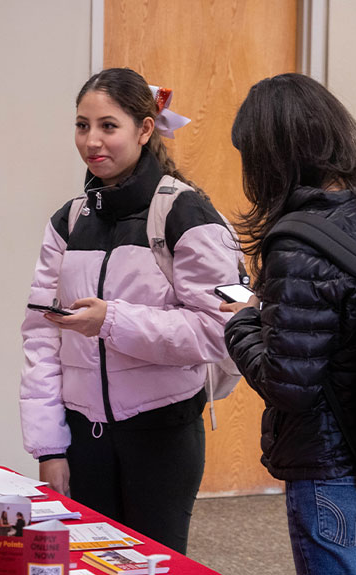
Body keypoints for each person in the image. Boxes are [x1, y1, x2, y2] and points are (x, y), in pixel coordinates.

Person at [19, 67, 239, 553]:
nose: (92, 141)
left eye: (108, 126)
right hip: (82, 436)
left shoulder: (189, 214)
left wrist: (111, 321)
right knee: (85, 563)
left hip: (162, 434)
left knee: (152, 564)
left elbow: (223, 329)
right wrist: (49, 446)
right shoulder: (68, 220)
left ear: (144, 129)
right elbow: (41, 334)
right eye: (82, 125)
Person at [221, 73, 356, 574]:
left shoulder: (298, 242)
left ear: (274, 156)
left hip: (331, 464)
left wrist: (242, 323)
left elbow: (289, 386)